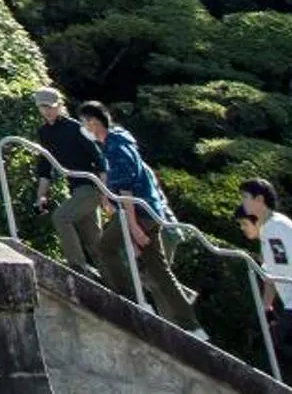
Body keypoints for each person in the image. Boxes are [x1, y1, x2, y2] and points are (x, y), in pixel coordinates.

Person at [79, 100, 200, 333]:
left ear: (94, 122)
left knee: (109, 249)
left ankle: (134, 301)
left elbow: (127, 191)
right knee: (156, 271)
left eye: (85, 122)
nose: (84, 127)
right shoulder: (116, 144)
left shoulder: (115, 148)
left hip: (142, 215)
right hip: (144, 213)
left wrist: (133, 228)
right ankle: (190, 325)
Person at [28, 86, 112, 283]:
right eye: (43, 107)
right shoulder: (44, 132)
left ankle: (77, 269)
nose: (47, 111)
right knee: (94, 242)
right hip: (76, 190)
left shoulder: (76, 128)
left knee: (61, 217)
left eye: (51, 106)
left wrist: (105, 194)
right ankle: (119, 285)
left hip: (91, 186)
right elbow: (45, 168)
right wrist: (41, 196)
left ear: (60, 106)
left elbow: (101, 161)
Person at [241, 178, 292, 371]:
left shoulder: (278, 227)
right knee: (275, 347)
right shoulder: (268, 230)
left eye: (245, 197)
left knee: (280, 349)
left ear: (259, 199)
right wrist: (265, 307)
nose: (242, 202)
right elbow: (271, 274)